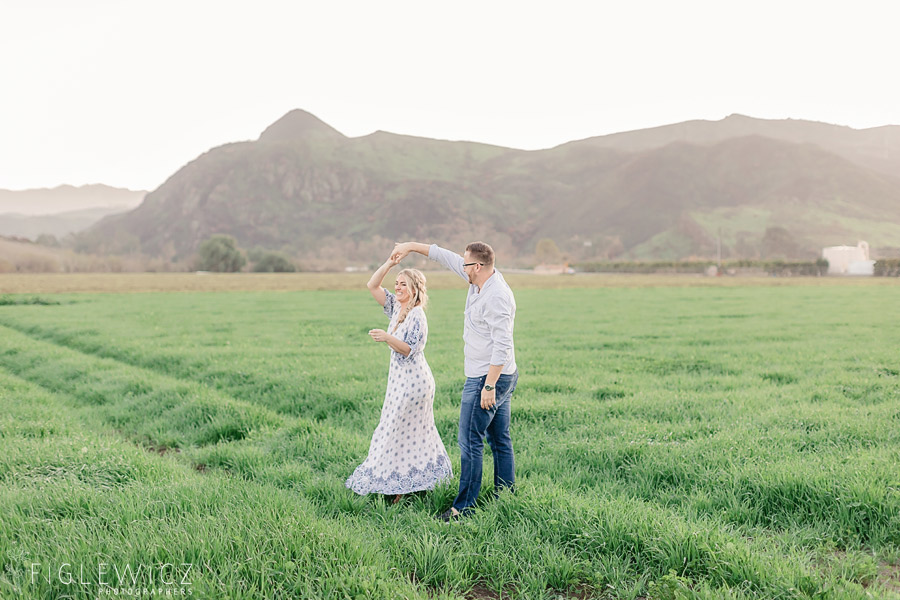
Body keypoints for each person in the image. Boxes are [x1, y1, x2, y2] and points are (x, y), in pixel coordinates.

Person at [391, 241, 518, 521]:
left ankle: (463, 508)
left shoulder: (496, 296)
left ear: (478, 266)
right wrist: (411, 246)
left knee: (470, 440)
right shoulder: (478, 281)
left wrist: (488, 386)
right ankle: (506, 497)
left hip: (489, 376)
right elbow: (445, 257)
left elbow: (503, 345)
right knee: (499, 439)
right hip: (498, 373)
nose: (461, 268)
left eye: (466, 264)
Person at [345, 254, 452, 503]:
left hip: (414, 384)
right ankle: (415, 481)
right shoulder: (395, 307)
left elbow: (409, 348)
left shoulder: (417, 315)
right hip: (399, 383)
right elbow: (372, 285)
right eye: (397, 283)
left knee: (398, 431)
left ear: (415, 289)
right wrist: (390, 264)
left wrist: (386, 337)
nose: (398, 287)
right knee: (406, 432)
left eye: (404, 284)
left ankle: (401, 487)